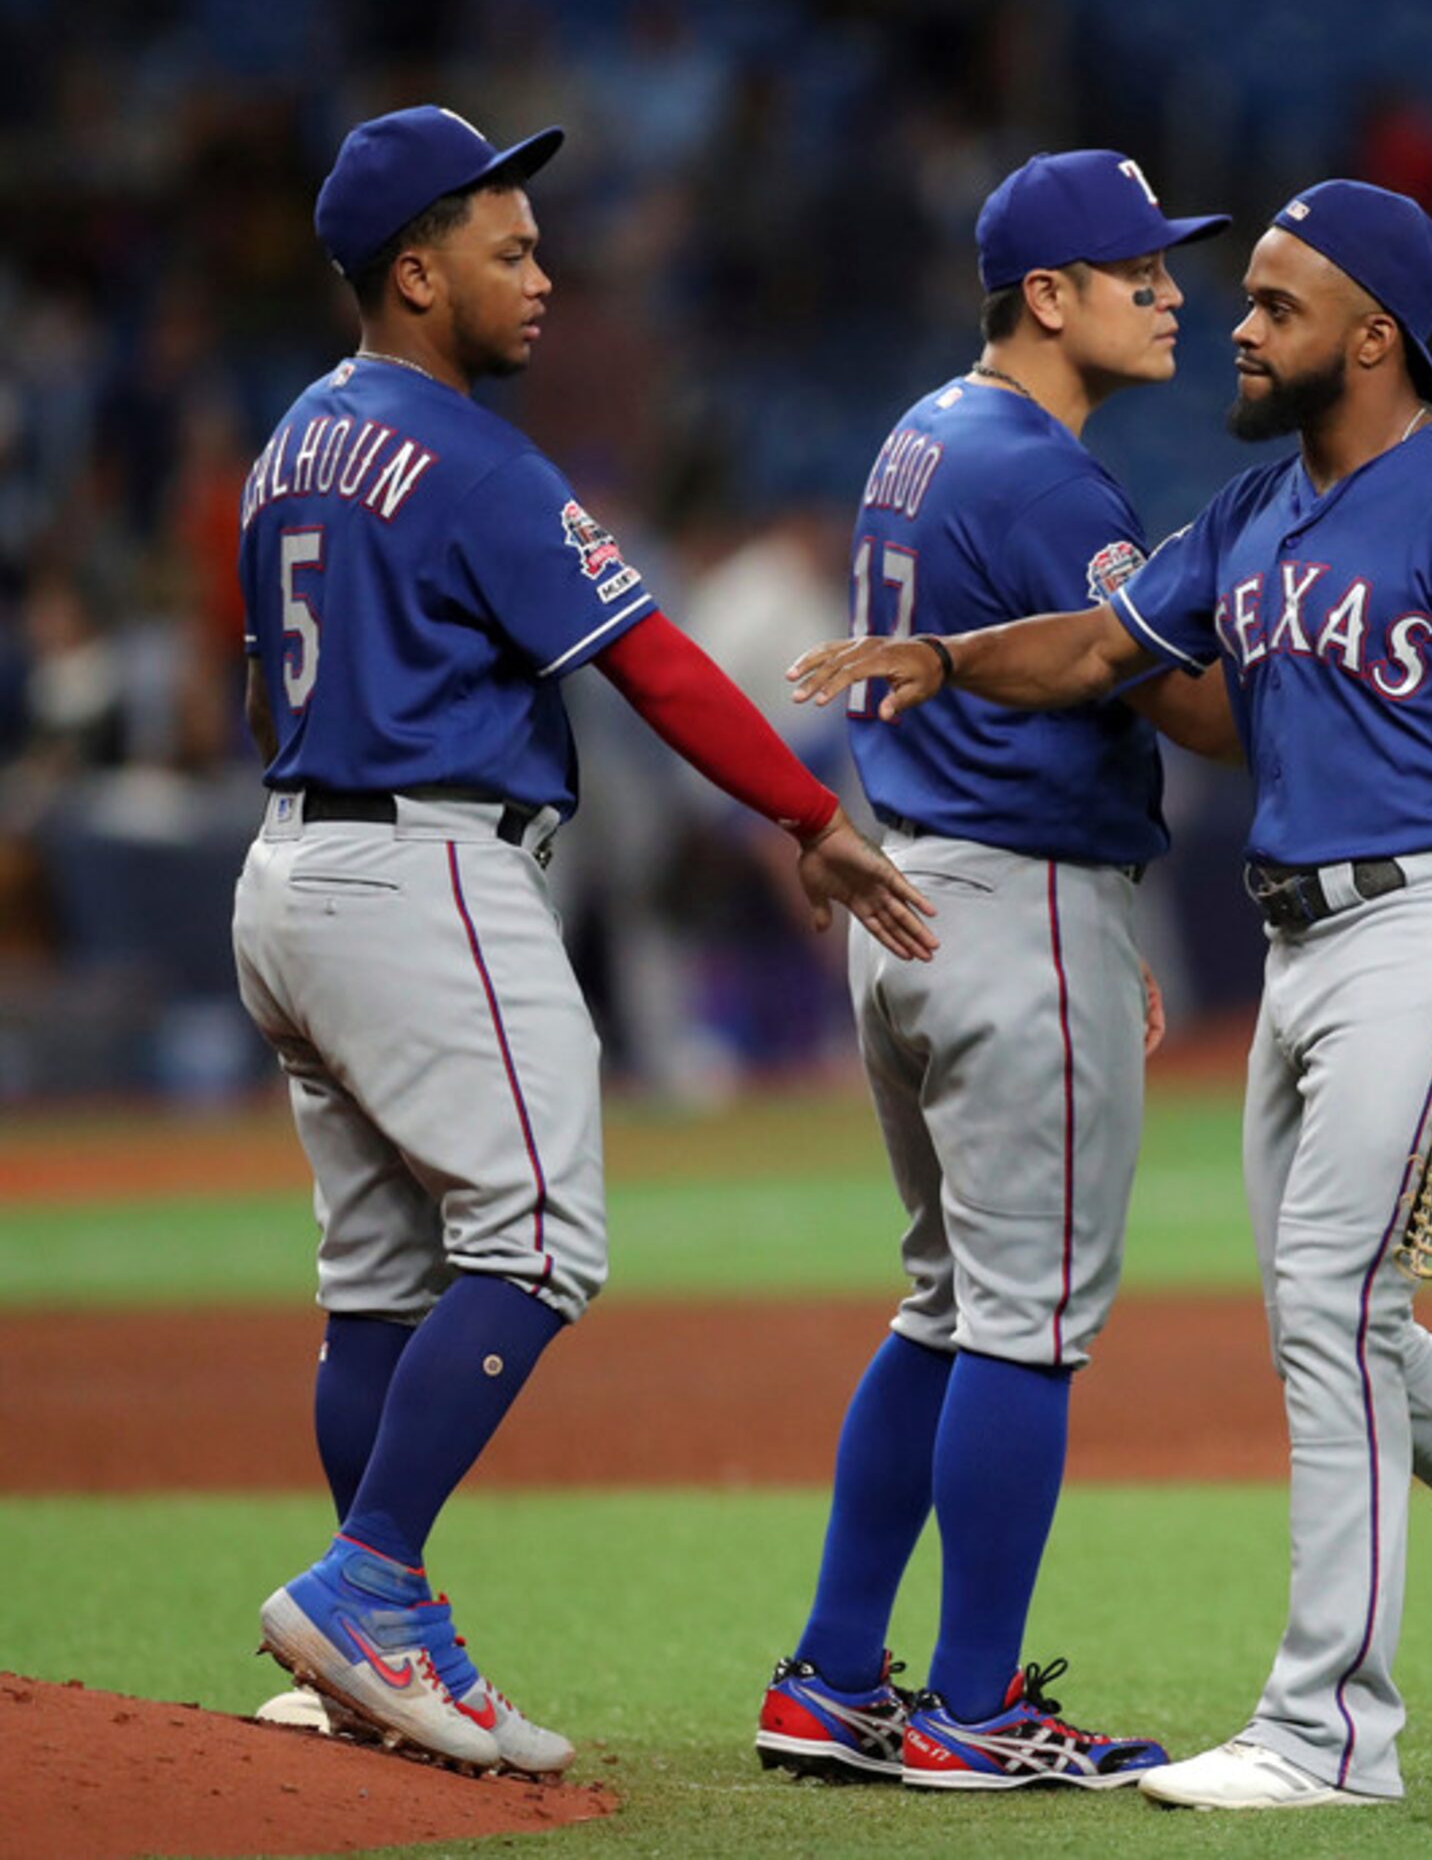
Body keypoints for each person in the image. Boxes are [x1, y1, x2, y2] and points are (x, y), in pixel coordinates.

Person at [792, 180, 1432, 1811]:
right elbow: (1103, 649)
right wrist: (950, 659)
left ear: (1373, 335)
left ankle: (1329, 1731)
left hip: (1426, 923)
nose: (1235, 324)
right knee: (1338, 1317)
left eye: (1274, 304)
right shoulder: (1255, 511)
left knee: (1333, 1306)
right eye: (1240, 297)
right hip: (1296, 945)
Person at [239, 107, 933, 1777]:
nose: (543, 274)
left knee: (379, 1276)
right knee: (541, 1237)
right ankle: (373, 1591)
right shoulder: (467, 453)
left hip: (288, 866)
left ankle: (365, 1646)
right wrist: (810, 815)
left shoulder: (288, 445)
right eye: (508, 246)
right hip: (425, 873)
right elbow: (660, 665)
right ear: (416, 271)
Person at [753, 149, 1241, 1792]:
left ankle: (832, 1672)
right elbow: (1160, 690)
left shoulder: (919, 433)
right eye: (1141, 271)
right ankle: (970, 1707)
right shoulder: (1046, 476)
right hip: (1019, 900)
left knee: (950, 1307)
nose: (1176, 293)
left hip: (918, 902)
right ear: (1049, 295)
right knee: (1024, 1325)